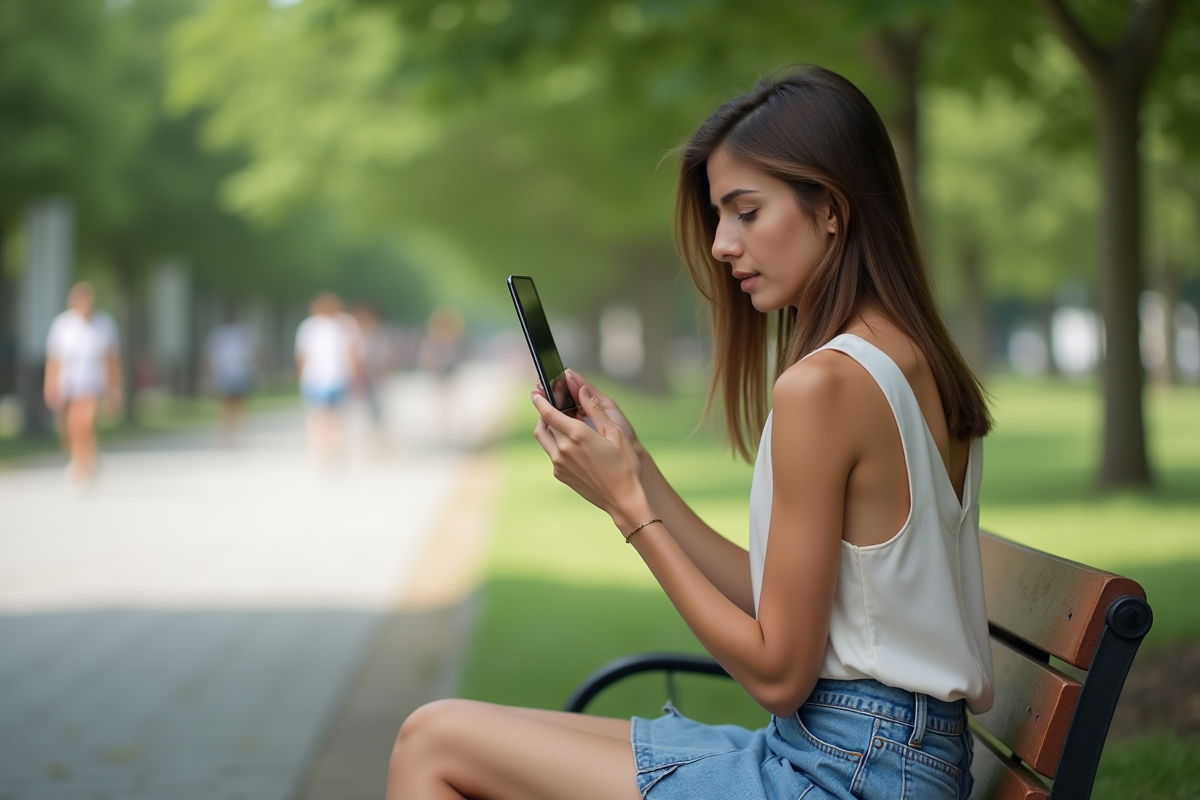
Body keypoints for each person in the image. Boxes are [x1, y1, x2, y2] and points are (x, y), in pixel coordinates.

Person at [387, 66, 995, 800]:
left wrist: (628, 514)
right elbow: (793, 605)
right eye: (718, 217)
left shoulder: (825, 386)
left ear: (830, 209)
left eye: (746, 211)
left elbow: (776, 672)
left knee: (433, 741)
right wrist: (637, 472)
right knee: (446, 726)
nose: (719, 245)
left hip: (845, 774)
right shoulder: (906, 357)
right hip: (886, 757)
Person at [43, 282, 122, 487]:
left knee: (84, 424)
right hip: (68, 384)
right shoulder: (62, 325)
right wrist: (50, 385)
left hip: (93, 384)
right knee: (68, 428)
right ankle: (80, 458)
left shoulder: (105, 325)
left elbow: (111, 360)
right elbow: (54, 359)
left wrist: (114, 390)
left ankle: (83, 465)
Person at [295, 293, 361, 462]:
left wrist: (355, 374)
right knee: (318, 415)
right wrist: (300, 375)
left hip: (338, 377)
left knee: (336, 415)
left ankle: (335, 449)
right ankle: (321, 449)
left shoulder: (345, 324)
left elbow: (352, 352)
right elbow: (302, 355)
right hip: (315, 378)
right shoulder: (309, 326)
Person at [205, 312, 258, 444]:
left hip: (232, 371)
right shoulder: (236, 334)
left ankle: (232, 430)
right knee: (232, 402)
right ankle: (231, 430)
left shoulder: (222, 334)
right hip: (230, 371)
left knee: (231, 403)